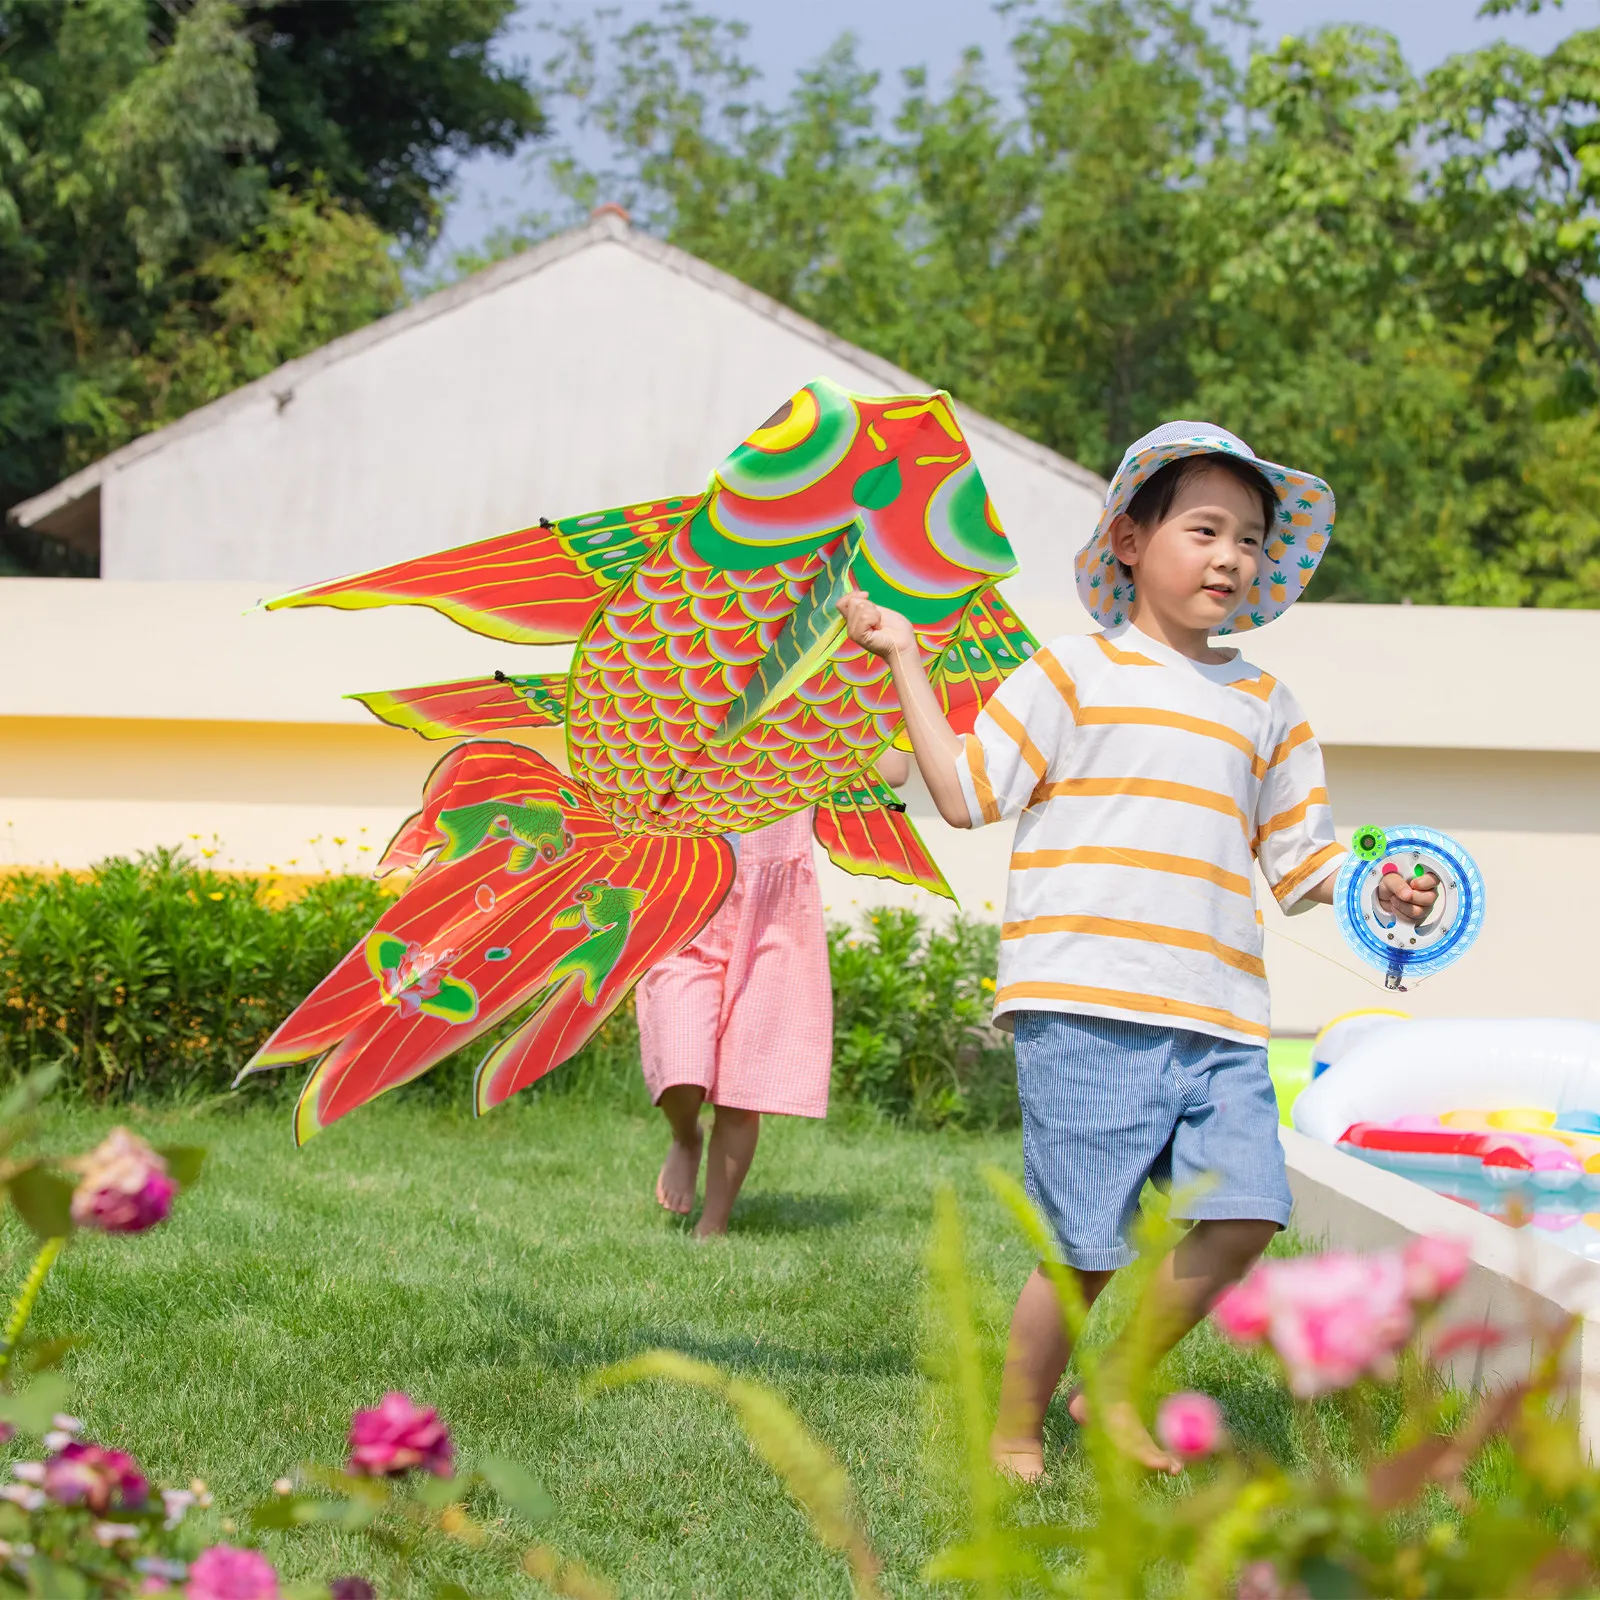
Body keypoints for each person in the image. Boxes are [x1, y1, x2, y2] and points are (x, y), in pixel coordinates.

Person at [839, 422, 1437, 1478]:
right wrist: (902, 661)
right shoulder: (1068, 674)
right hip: (1083, 1004)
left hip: (1216, 1016)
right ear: (1128, 538)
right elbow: (967, 793)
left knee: (1247, 1210)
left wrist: (1378, 884)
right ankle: (1016, 1428)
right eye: (1203, 528)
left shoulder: (1267, 707)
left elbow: (1304, 865)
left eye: (1249, 539)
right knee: (1083, 1247)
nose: (1229, 557)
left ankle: (1111, 1387)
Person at [638, 749, 911, 1238]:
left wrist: (852, 695)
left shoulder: (801, 725)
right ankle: (684, 1136)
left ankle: (713, 1226)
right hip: (687, 911)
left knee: (743, 1089)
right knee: (680, 1066)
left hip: (770, 922)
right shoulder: (689, 705)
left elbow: (895, 770)